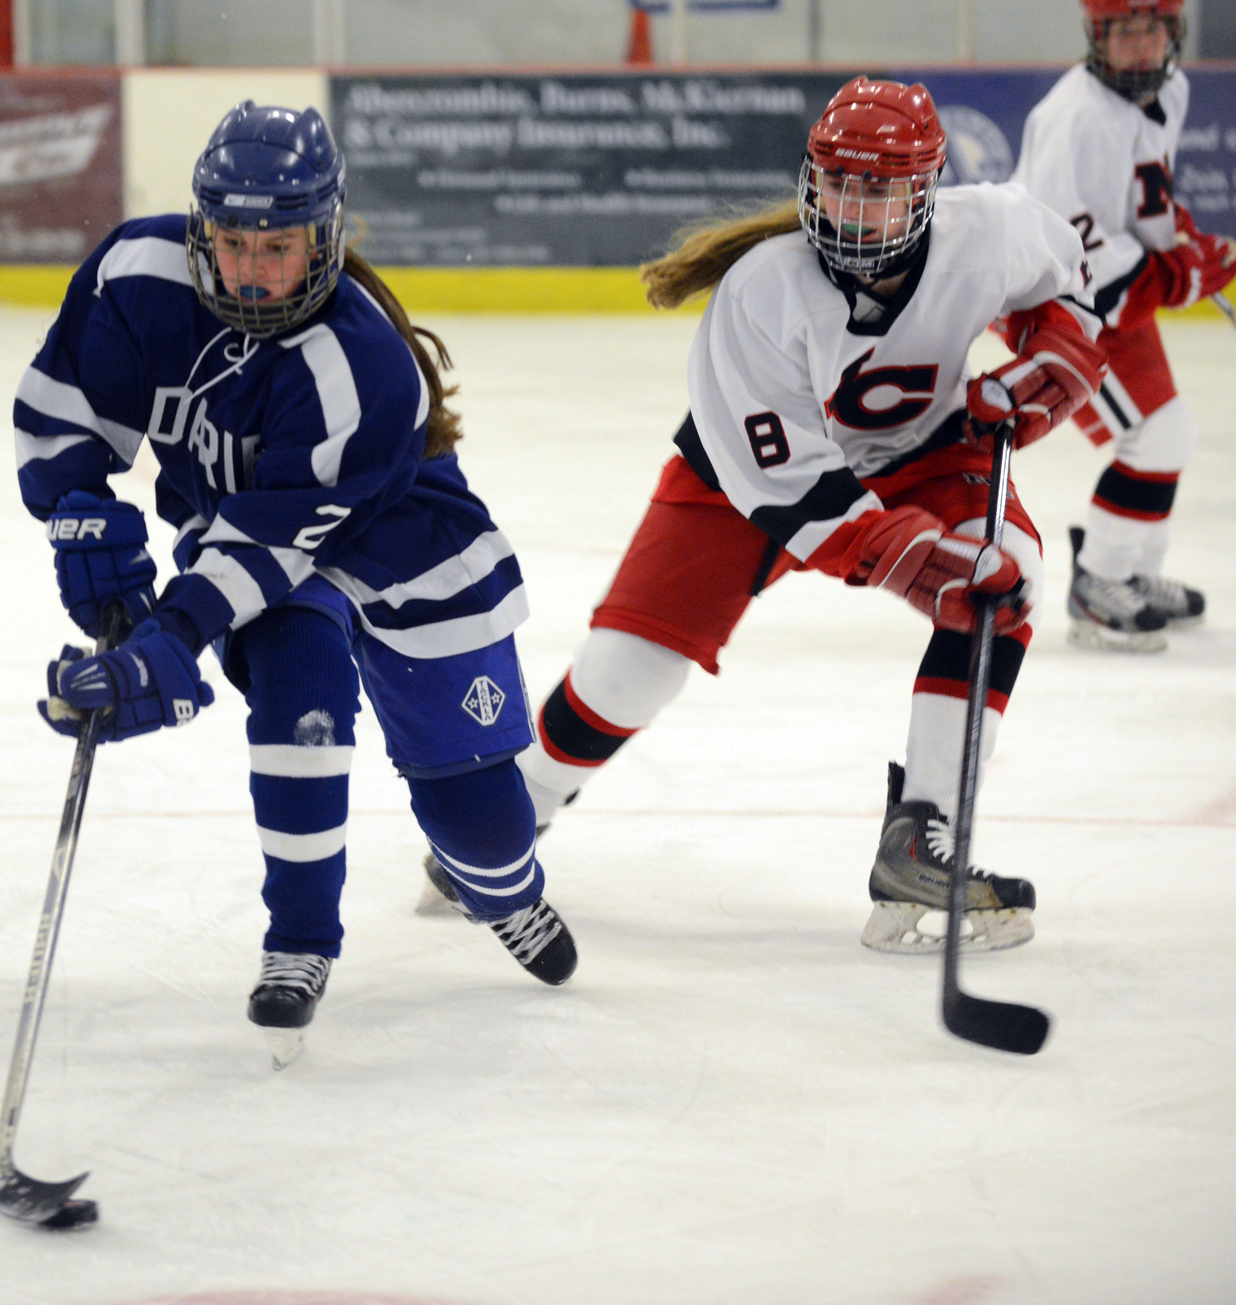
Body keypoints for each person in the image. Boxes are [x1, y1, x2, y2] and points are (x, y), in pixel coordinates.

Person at [425, 77, 1105, 955]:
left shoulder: (992, 229)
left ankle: (921, 834)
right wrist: (893, 552)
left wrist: (1056, 345)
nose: (856, 211)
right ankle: (506, 823)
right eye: (840, 185)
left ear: (929, 192)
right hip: (746, 479)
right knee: (628, 671)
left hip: (927, 452)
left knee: (1003, 576)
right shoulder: (762, 291)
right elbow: (790, 487)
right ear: (811, 181)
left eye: (882, 189)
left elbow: (1069, 283)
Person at [16, 101, 577, 1065]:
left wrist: (168, 639)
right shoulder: (136, 277)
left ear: (327, 236)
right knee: (298, 682)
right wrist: (80, 516)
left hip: (408, 552)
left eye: (279, 246)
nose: (250, 270)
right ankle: (300, 942)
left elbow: (267, 548)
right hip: (253, 536)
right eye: (231, 242)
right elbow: (65, 408)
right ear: (201, 229)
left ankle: (504, 886)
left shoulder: (363, 369)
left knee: (480, 829)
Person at [1010, 0, 1236, 651]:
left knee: (1172, 434)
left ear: (1175, 33)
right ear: (1097, 37)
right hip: (1054, 302)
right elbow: (1071, 249)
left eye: (1154, 30)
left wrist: (1186, 244)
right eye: (1125, 31)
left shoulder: (1173, 88)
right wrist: (1177, 275)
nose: (1141, 47)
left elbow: (1142, 195)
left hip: (1111, 296)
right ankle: (1099, 584)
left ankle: (1135, 572)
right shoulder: (1073, 118)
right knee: (1155, 436)